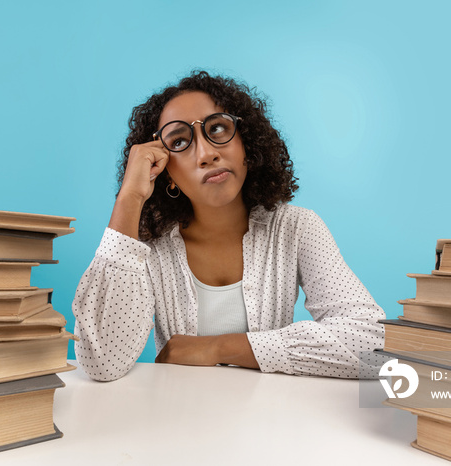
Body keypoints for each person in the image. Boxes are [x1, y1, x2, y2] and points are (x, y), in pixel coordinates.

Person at [72, 71, 385, 382]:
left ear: (246, 144)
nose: (207, 154)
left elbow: (375, 343)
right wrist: (130, 197)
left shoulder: (295, 227)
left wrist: (219, 348)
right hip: (174, 421)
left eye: (218, 128)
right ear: (166, 171)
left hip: (274, 422)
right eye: (180, 141)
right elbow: (102, 362)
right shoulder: (146, 247)